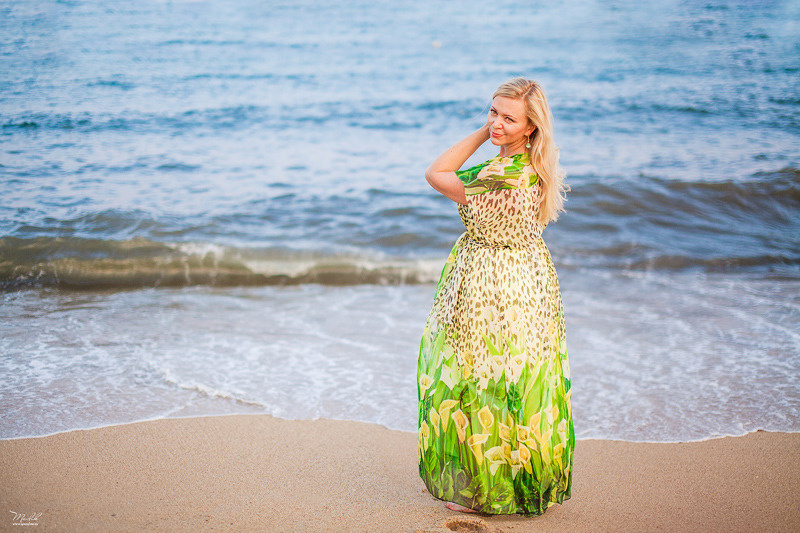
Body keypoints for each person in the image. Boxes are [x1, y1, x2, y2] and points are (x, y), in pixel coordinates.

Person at [417, 77, 574, 515]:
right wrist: (497, 132)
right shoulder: (535, 166)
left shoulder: (499, 172)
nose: (497, 123)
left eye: (509, 118)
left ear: (530, 127)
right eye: (492, 113)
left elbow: (435, 173)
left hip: (492, 284)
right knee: (513, 380)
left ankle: (486, 492)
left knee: (480, 380)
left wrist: (481, 134)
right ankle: (519, 484)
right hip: (529, 278)